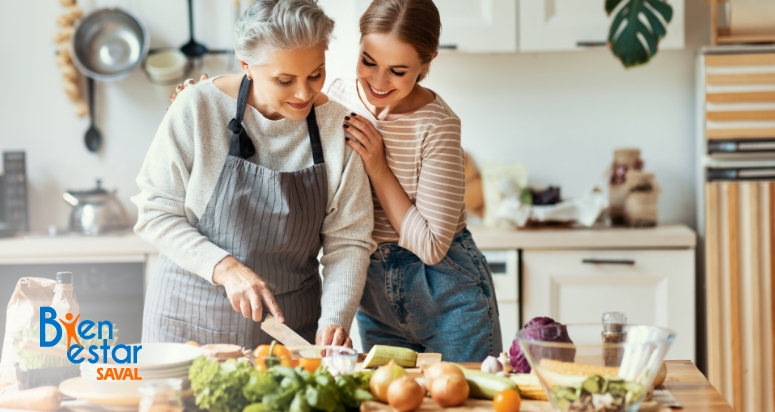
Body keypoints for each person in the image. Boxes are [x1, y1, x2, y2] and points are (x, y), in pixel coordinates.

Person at [172, 0, 501, 362]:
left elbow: (431, 246)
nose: (377, 81)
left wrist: (378, 168)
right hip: (372, 288)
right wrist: (203, 99)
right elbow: (266, 96)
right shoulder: (338, 100)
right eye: (369, 61)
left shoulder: (437, 126)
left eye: (398, 70)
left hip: (445, 291)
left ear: (427, 63)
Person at [132, 0, 375, 349]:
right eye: (284, 80)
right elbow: (155, 211)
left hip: (290, 333)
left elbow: (348, 240)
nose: (304, 93)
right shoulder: (198, 107)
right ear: (247, 65)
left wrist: (336, 319)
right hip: (187, 323)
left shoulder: (339, 127)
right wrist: (226, 268)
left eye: (315, 74)